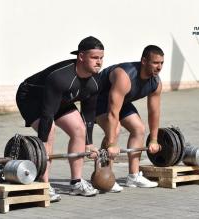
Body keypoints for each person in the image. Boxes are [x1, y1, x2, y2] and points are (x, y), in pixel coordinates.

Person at [16, 36, 104, 201]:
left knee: (79, 130)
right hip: (31, 98)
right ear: (81, 56)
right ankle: (44, 184)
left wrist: (89, 143)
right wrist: (41, 147)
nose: (99, 62)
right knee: (49, 132)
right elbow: (48, 115)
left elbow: (89, 113)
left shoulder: (95, 81)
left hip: (60, 100)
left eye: (101, 58)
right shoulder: (60, 77)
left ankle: (76, 182)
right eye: (94, 57)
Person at [96, 45, 164, 192]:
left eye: (161, 63)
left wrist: (154, 139)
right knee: (115, 130)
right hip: (96, 100)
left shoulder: (156, 83)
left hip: (122, 102)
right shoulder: (124, 76)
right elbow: (113, 113)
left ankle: (133, 177)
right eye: (155, 63)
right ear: (144, 61)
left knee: (139, 128)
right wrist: (112, 143)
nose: (159, 67)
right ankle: (105, 176)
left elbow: (154, 112)